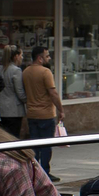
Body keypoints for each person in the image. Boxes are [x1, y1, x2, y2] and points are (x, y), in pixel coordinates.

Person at [23, 44, 64, 180]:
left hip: (32, 113)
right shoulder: (45, 72)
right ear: (40, 58)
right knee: (46, 146)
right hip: (46, 114)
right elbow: (53, 92)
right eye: (47, 56)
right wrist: (61, 110)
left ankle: (34, 171)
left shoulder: (26, 72)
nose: (49, 58)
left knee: (34, 144)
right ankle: (45, 172)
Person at [0, 45, 27, 138]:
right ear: (16, 56)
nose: (22, 57)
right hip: (14, 110)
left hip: (0, 107)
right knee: (13, 136)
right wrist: (28, 100)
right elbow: (20, 92)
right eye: (21, 55)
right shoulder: (16, 70)